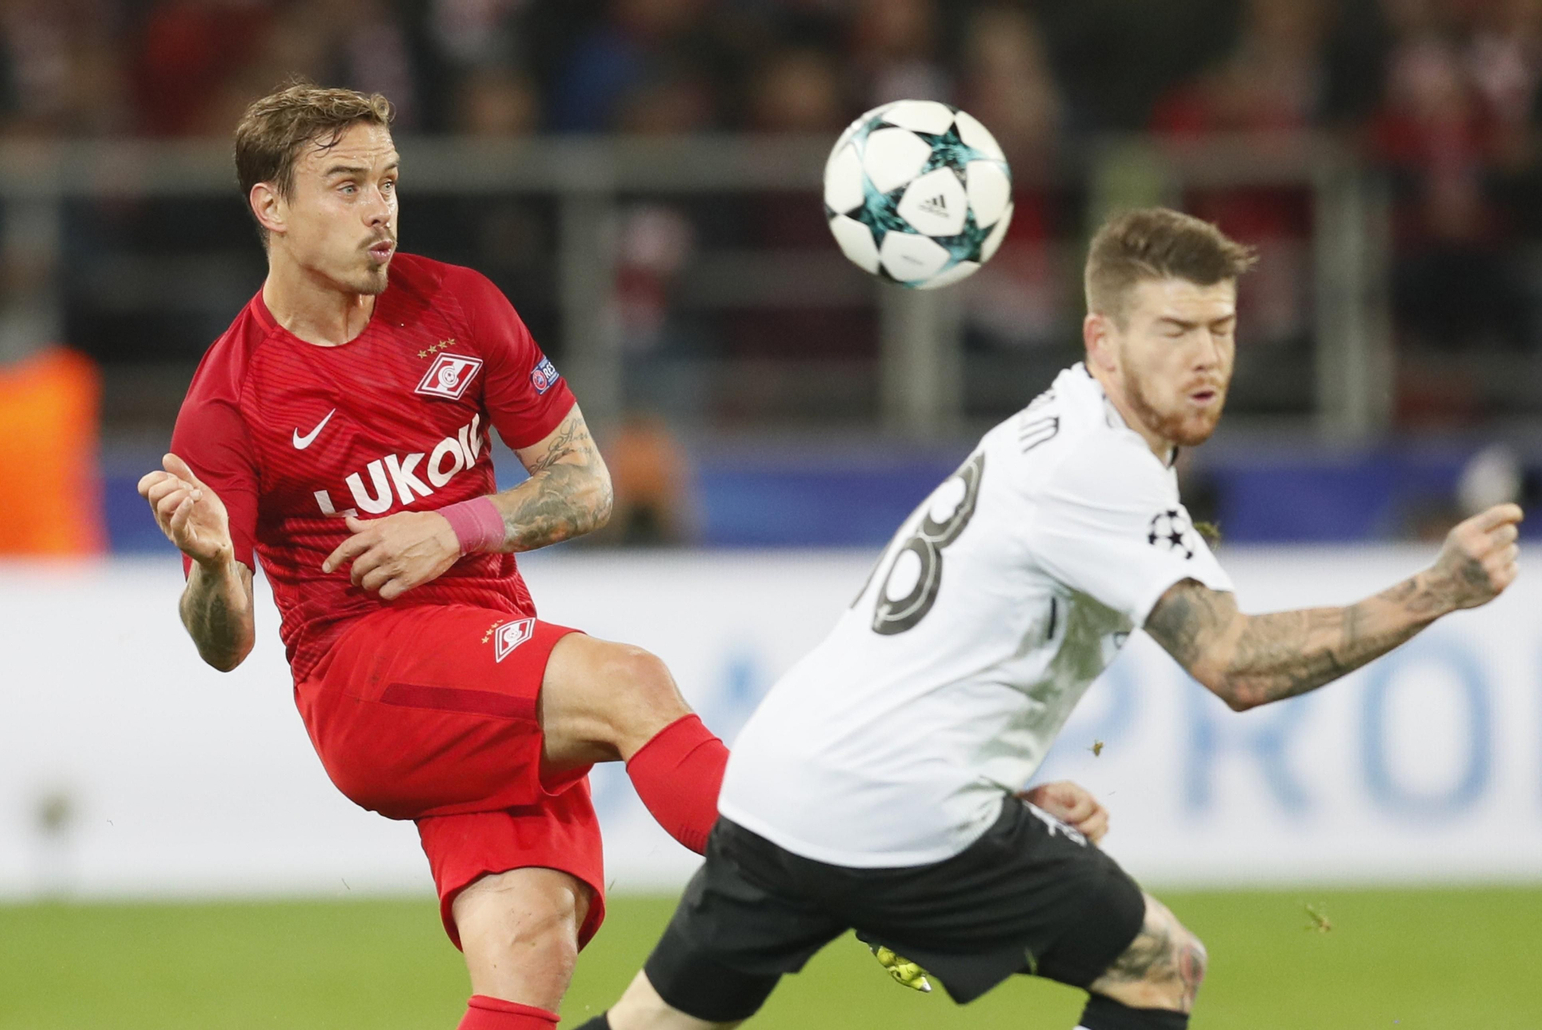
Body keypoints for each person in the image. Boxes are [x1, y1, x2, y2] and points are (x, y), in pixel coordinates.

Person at [570, 208, 1523, 1030]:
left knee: (654, 1020)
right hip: (892, 806)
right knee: (1160, 967)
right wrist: (1434, 590)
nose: (1205, 359)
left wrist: (996, 786)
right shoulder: (1098, 469)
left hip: (786, 786)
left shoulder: (1060, 427)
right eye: (1174, 330)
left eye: (1222, 330)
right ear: (1102, 341)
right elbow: (1237, 666)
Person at [136, 82, 730, 1030]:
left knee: (533, 946)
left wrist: (455, 527)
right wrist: (212, 570)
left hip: (489, 647)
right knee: (629, 682)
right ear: (271, 206)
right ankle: (802, 874)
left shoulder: (458, 305)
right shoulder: (230, 399)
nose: (380, 209)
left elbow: (587, 485)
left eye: (389, 181)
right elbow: (224, 644)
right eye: (346, 186)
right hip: (366, 677)